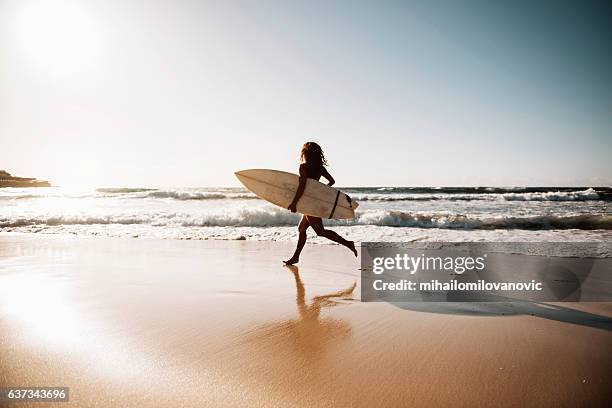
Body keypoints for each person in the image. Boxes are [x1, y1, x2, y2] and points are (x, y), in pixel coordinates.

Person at [284, 142, 357, 265]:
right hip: (314, 201)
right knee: (302, 228)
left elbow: (302, 187)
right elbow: (332, 181)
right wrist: (320, 192)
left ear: (305, 154)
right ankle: (295, 257)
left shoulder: (304, 167)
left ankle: (348, 243)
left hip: (309, 203)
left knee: (320, 231)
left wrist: (294, 203)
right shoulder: (320, 168)